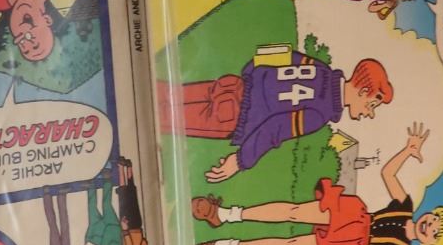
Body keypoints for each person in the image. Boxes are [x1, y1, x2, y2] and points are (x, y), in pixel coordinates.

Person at [195, 123, 443, 245]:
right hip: (351, 214)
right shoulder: (405, 205)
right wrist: (407, 151)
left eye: (435, 233)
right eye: (435, 220)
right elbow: (388, 173)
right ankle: (226, 214)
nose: (430, 225)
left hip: (350, 241)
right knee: (293, 211)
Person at [157, 50, 392, 184]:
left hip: (233, 86)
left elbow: (284, 55)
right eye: (372, 104)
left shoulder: (321, 68)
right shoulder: (319, 114)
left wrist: (251, 70)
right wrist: (240, 161)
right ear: (362, 91)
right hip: (231, 117)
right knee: (165, 120)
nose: (369, 113)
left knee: (167, 92)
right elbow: (274, 129)